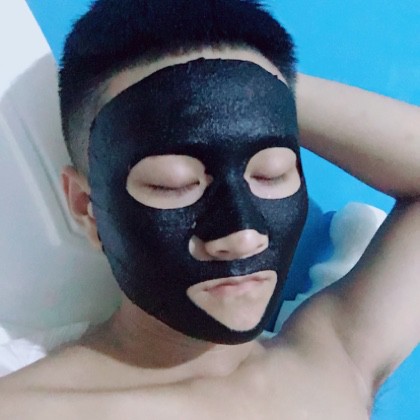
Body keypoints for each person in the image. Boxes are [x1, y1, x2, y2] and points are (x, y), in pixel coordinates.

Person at [1, 0, 419, 418]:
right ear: (87, 207)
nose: (242, 236)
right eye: (173, 184)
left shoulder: (333, 361)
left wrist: (263, 86)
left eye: (271, 173)